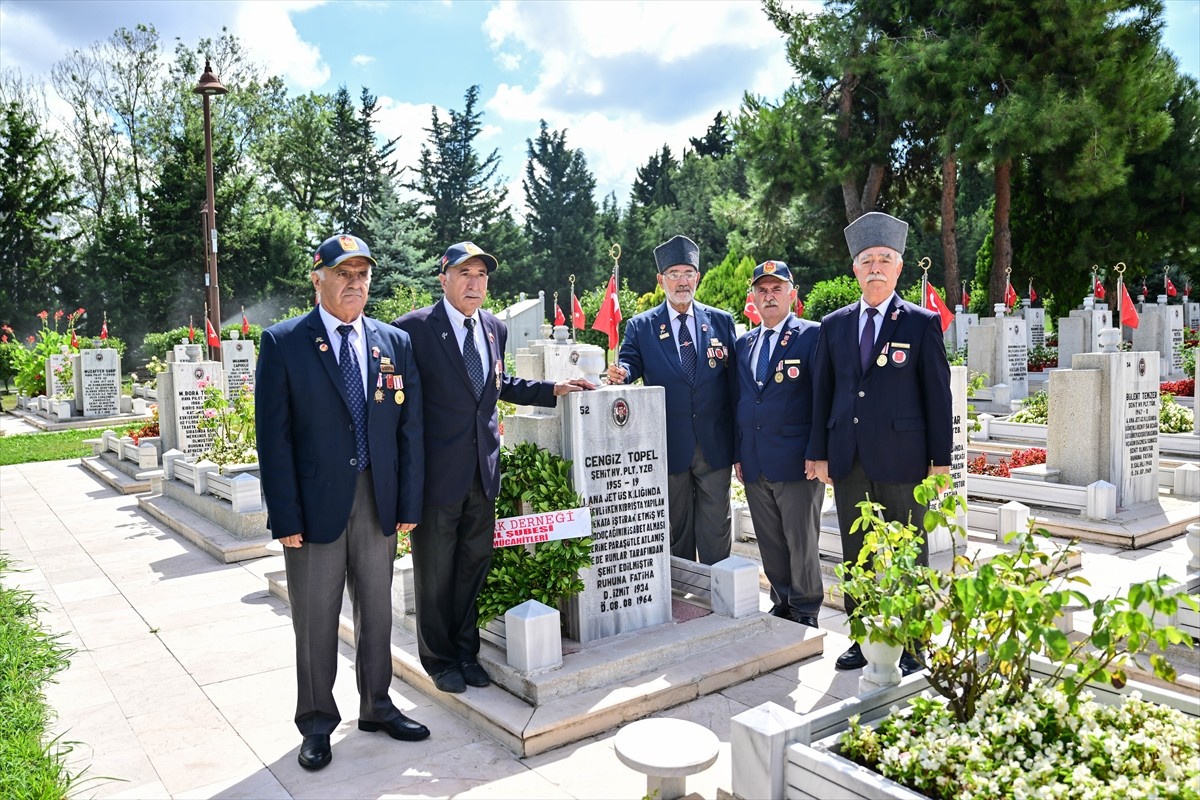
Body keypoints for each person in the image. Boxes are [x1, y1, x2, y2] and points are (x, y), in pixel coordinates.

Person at [256, 233, 429, 772]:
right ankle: (316, 721)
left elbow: (408, 430)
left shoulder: (391, 342)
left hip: (377, 502)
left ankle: (377, 705)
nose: (354, 283)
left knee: (378, 612)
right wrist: (284, 514)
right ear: (318, 277)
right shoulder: (284, 343)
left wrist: (407, 500)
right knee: (315, 619)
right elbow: (273, 438)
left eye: (362, 274)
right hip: (314, 507)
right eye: (342, 273)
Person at [394, 242, 594, 695]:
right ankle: (439, 658)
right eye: (465, 273)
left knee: (473, 567)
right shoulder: (412, 331)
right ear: (443, 278)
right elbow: (399, 409)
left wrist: (552, 388)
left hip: (483, 472)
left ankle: (466, 651)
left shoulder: (492, 328)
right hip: (435, 478)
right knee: (435, 572)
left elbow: (497, 385)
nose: (475, 283)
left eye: (482, 275)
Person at [804, 212, 953, 675]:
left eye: (884, 259)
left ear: (899, 267)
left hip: (905, 460)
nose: (875, 268)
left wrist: (940, 462)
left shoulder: (921, 323)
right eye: (866, 260)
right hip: (849, 460)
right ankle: (863, 636)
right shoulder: (834, 325)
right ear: (854, 268)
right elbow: (822, 393)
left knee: (910, 550)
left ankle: (912, 643)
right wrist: (818, 452)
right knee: (857, 551)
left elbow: (937, 396)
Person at [606, 235, 738, 565]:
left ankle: (717, 595)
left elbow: (736, 384)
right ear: (660, 279)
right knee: (675, 528)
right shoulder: (642, 326)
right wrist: (621, 371)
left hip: (715, 445)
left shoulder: (721, 321)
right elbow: (630, 363)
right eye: (674, 273)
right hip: (668, 444)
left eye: (688, 273)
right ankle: (682, 597)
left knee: (716, 527)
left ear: (698, 277)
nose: (682, 281)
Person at [734, 261, 823, 628]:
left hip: (797, 460)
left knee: (801, 540)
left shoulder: (812, 335)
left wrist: (819, 453)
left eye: (776, 289)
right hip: (755, 460)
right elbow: (739, 401)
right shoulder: (744, 344)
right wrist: (738, 454)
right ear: (753, 297)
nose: (769, 296)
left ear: (792, 293)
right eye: (762, 290)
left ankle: (805, 609)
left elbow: (821, 398)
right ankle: (783, 600)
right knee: (769, 540)